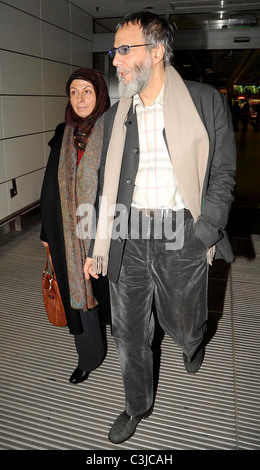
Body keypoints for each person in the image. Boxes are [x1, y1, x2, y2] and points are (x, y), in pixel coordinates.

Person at [85, 12, 236, 444]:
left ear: (157, 51)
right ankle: (136, 405)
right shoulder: (116, 116)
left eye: (123, 50)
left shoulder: (206, 101)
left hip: (182, 232)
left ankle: (193, 340)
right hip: (128, 234)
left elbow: (224, 173)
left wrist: (205, 231)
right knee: (130, 333)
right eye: (114, 51)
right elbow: (103, 187)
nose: (115, 60)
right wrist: (99, 245)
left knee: (182, 320)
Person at [40, 68, 110, 385]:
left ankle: (133, 346)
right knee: (79, 294)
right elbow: (48, 188)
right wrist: (46, 235)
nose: (80, 99)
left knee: (116, 293)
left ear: (100, 95)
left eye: (87, 91)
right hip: (69, 232)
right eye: (74, 92)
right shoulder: (62, 133)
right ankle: (89, 356)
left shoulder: (115, 134)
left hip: (109, 229)